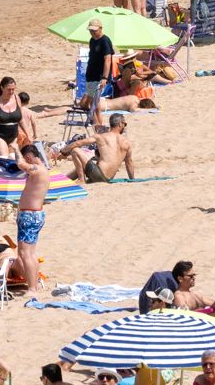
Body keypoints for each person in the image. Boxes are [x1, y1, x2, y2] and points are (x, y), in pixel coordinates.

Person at [57, 113, 136, 184]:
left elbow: (78, 143)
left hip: (98, 175)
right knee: (81, 166)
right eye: (124, 125)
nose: (124, 127)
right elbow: (129, 163)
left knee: (75, 150)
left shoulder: (101, 137)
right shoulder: (127, 142)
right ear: (120, 124)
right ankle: (64, 180)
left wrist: (63, 152)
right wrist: (132, 179)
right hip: (107, 179)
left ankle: (81, 180)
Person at [14, 144, 49, 292]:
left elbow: (21, 164)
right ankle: (34, 285)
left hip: (30, 216)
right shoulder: (42, 170)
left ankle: (32, 288)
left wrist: (15, 149)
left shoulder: (37, 169)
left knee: (25, 253)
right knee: (30, 253)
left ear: (29, 157)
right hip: (32, 214)